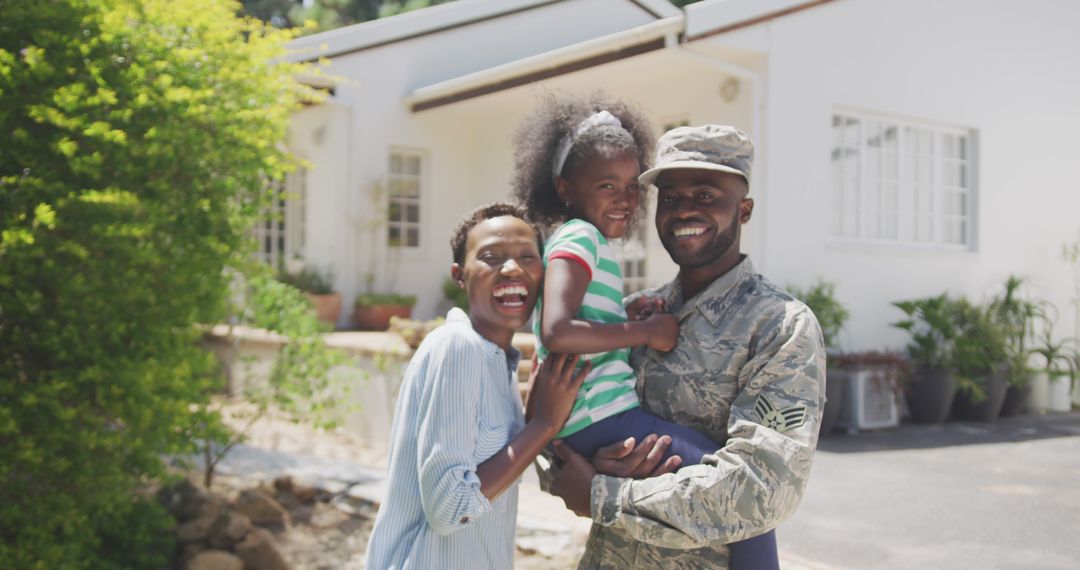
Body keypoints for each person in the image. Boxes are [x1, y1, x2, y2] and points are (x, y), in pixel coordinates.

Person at [543, 125, 827, 569]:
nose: (683, 211)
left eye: (706, 195)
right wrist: (583, 462)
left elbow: (762, 490)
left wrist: (606, 494)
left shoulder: (778, 327)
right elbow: (556, 435)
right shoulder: (632, 315)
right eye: (670, 199)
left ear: (745, 210)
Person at [365, 203, 591, 569]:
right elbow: (450, 508)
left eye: (526, 256)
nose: (512, 268)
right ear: (460, 274)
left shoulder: (500, 362)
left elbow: (501, 477)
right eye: (491, 257)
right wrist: (542, 425)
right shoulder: (459, 346)